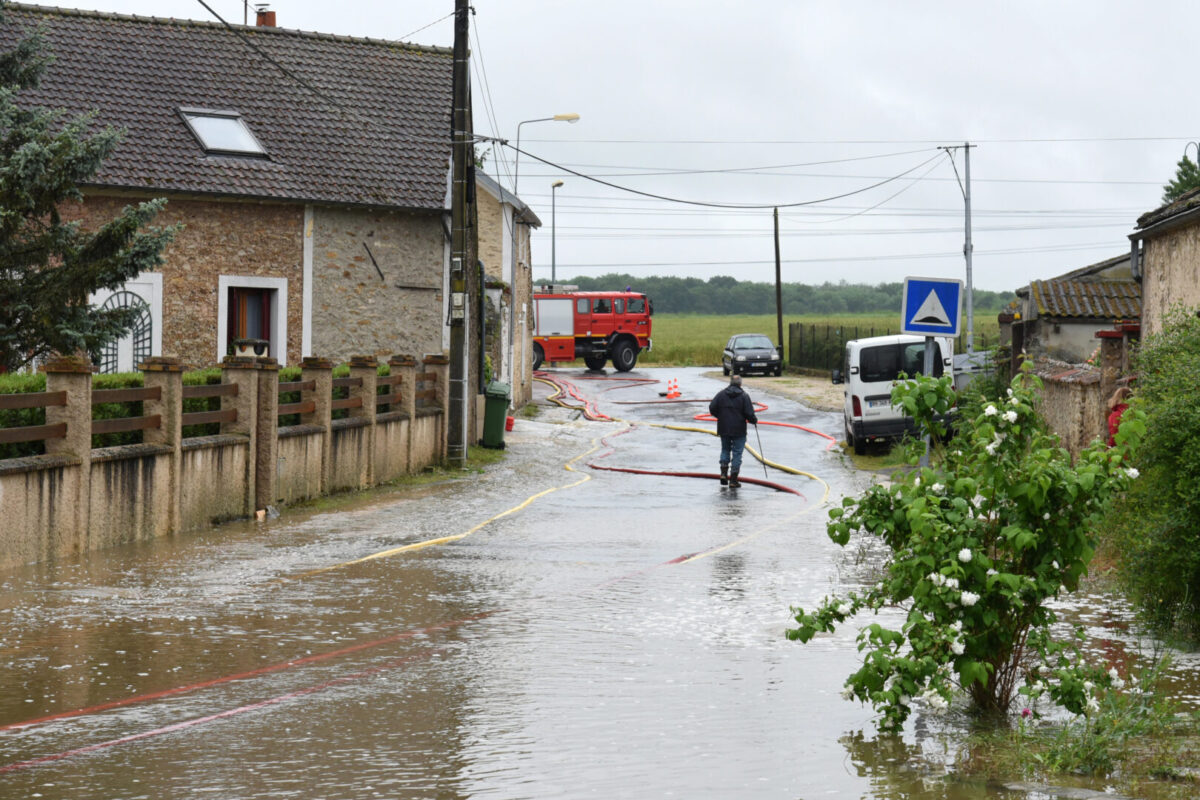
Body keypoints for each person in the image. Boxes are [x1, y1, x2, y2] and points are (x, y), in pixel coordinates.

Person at [709, 374, 758, 488]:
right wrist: (754, 420)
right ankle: (733, 480)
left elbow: (712, 408)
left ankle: (723, 474)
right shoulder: (744, 396)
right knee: (737, 453)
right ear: (740, 383)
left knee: (725, 450)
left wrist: (720, 416)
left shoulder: (721, 394)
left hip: (724, 428)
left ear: (730, 382)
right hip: (739, 429)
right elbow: (749, 413)